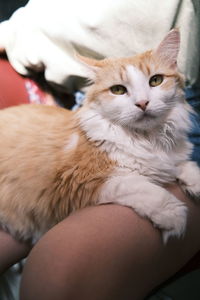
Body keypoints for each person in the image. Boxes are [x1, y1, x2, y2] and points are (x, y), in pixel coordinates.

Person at [0, 0, 200, 299]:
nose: (143, 100)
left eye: (156, 80)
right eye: (121, 89)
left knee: (59, 274)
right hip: (61, 118)